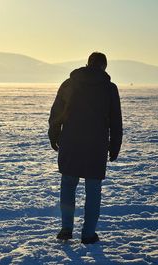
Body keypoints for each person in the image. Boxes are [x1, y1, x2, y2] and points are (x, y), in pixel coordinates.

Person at [48, 52, 123, 244]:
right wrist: (115, 146)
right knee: (93, 190)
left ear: (88, 64)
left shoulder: (69, 84)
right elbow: (116, 120)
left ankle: (66, 229)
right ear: (103, 67)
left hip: (70, 142)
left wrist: (54, 135)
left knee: (68, 186)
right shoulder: (109, 89)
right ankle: (88, 234)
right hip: (96, 146)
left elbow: (56, 112)